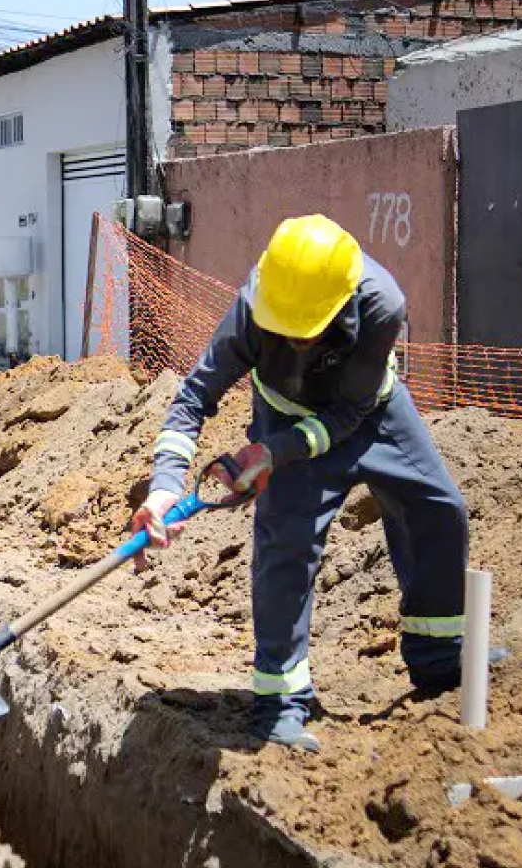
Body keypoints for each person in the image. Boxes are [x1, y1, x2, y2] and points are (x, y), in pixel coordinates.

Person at [132, 214, 469, 753]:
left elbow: (349, 413)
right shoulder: (254, 305)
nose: (285, 335)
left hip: (373, 413)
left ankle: (440, 659)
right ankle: (280, 700)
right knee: (287, 544)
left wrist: (274, 453)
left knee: (439, 508)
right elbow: (193, 398)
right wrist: (164, 487)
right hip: (285, 415)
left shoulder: (382, 303)